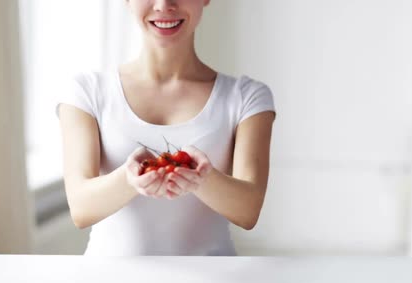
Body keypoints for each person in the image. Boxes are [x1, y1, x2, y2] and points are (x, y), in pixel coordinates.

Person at [56, 0, 276, 256]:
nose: (164, 5)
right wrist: (129, 179)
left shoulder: (247, 97)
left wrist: (203, 180)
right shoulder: (86, 91)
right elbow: (81, 209)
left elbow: (247, 212)